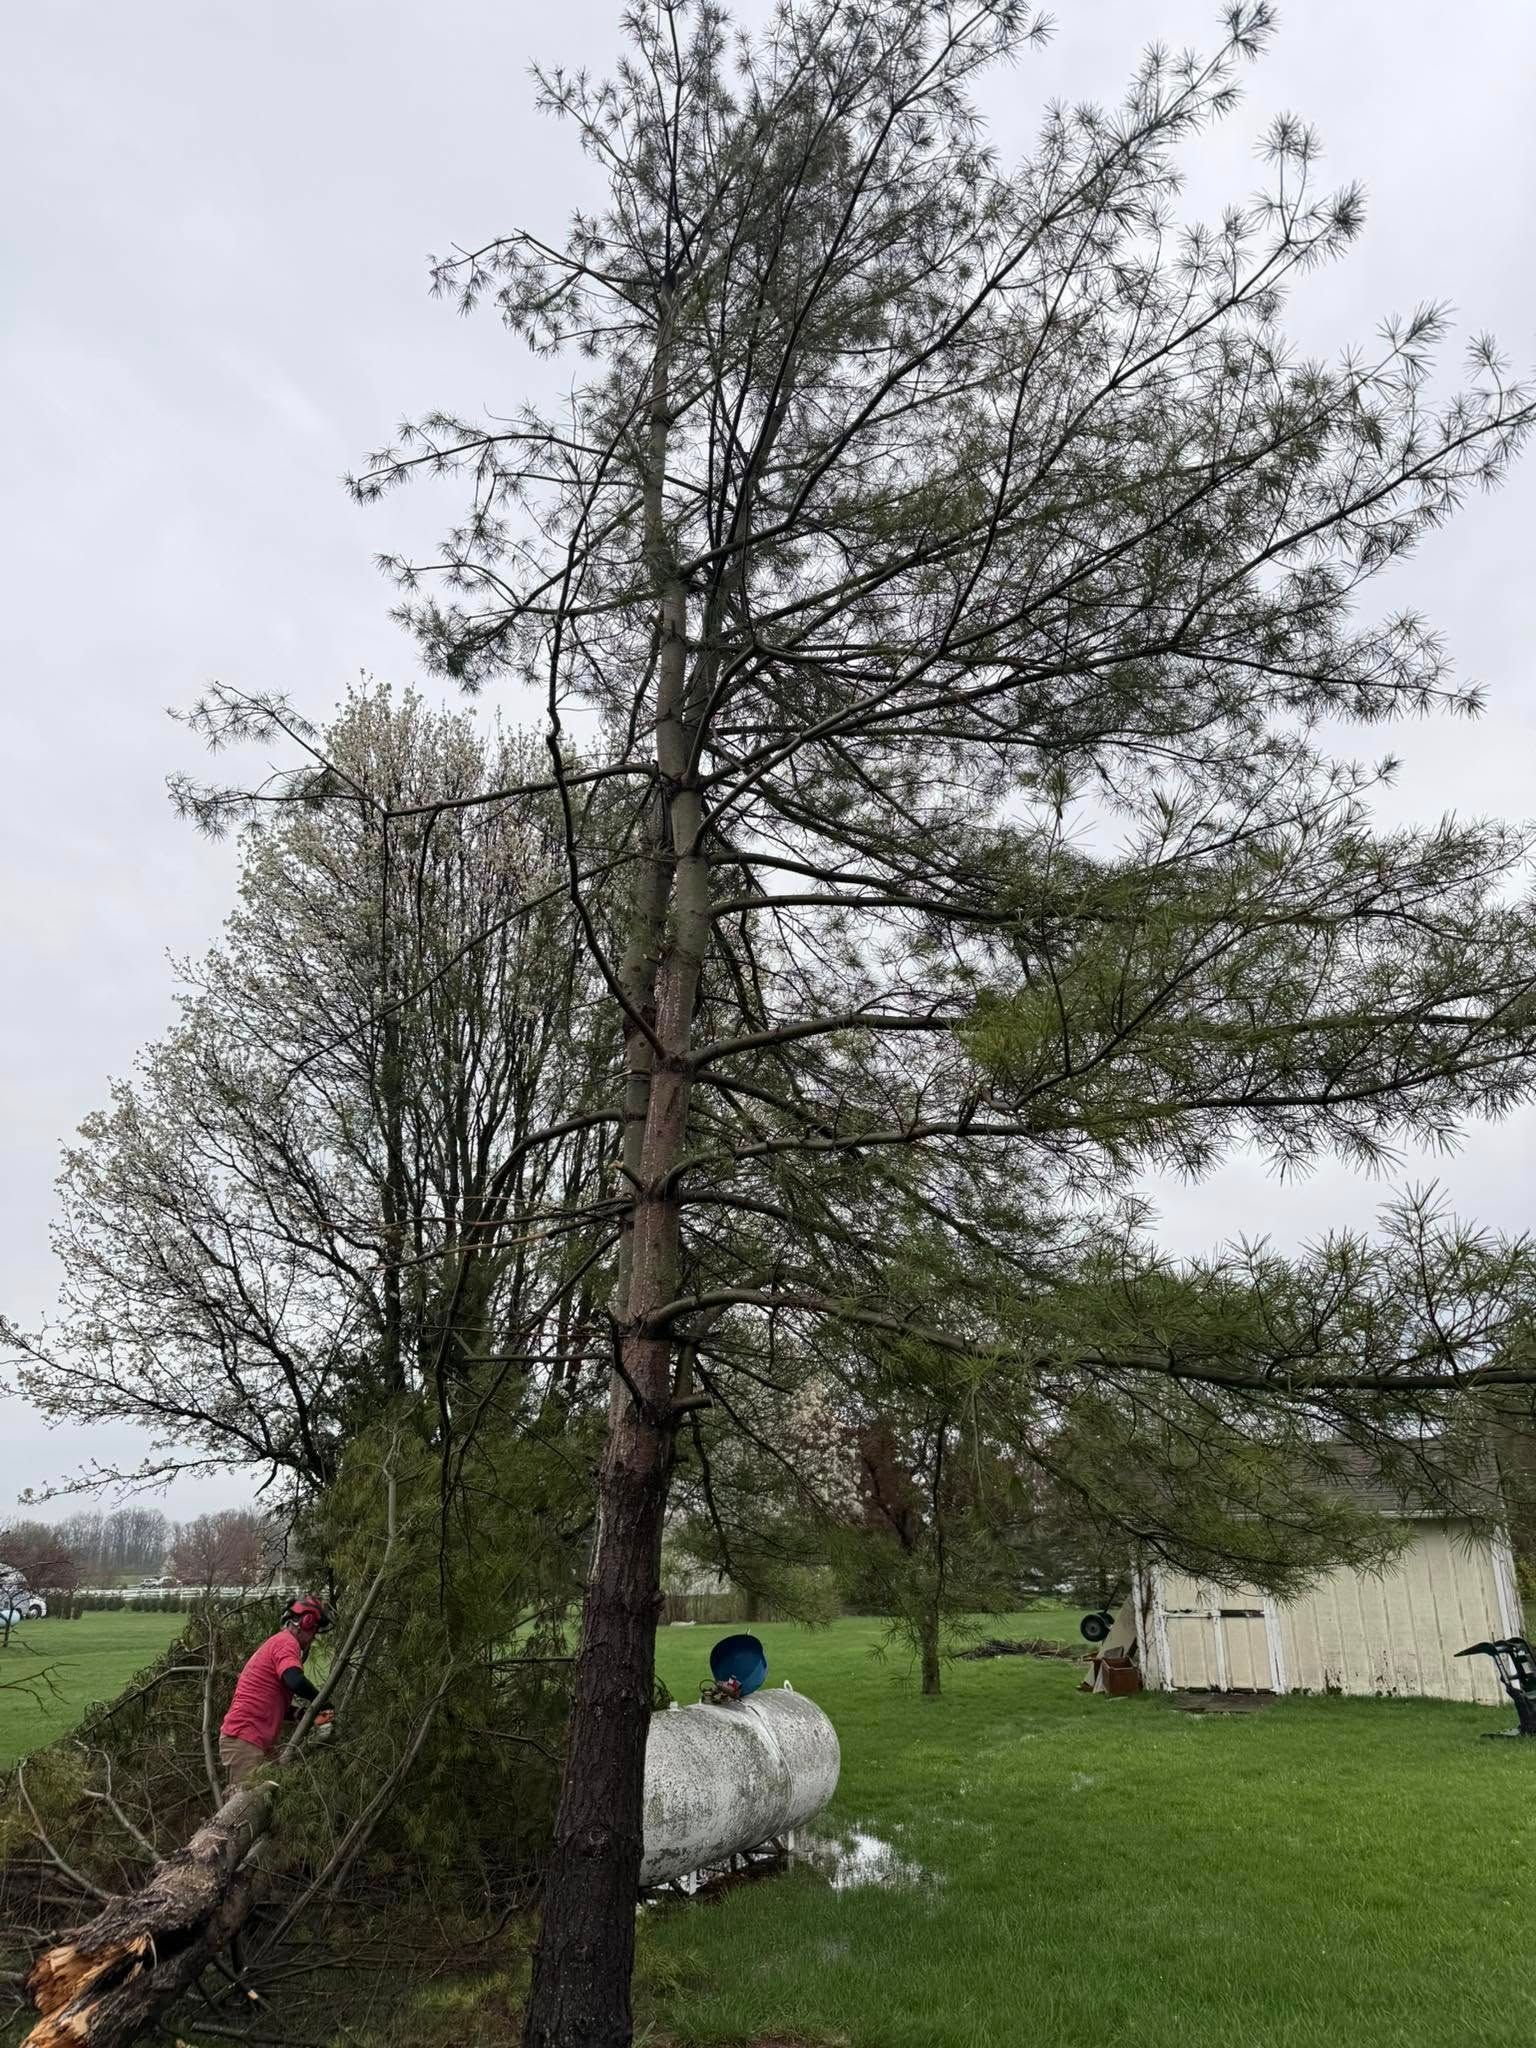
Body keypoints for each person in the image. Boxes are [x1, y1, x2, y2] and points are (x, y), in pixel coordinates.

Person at [218, 1595, 334, 1788]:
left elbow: (274, 1704)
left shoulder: (278, 1643)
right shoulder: (286, 1643)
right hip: (246, 1738)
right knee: (247, 1808)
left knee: (276, 1794)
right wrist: (323, 1701)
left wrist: (305, 1715)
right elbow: (295, 1680)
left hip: (254, 1739)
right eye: (314, 1631)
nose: (314, 1637)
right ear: (306, 1622)